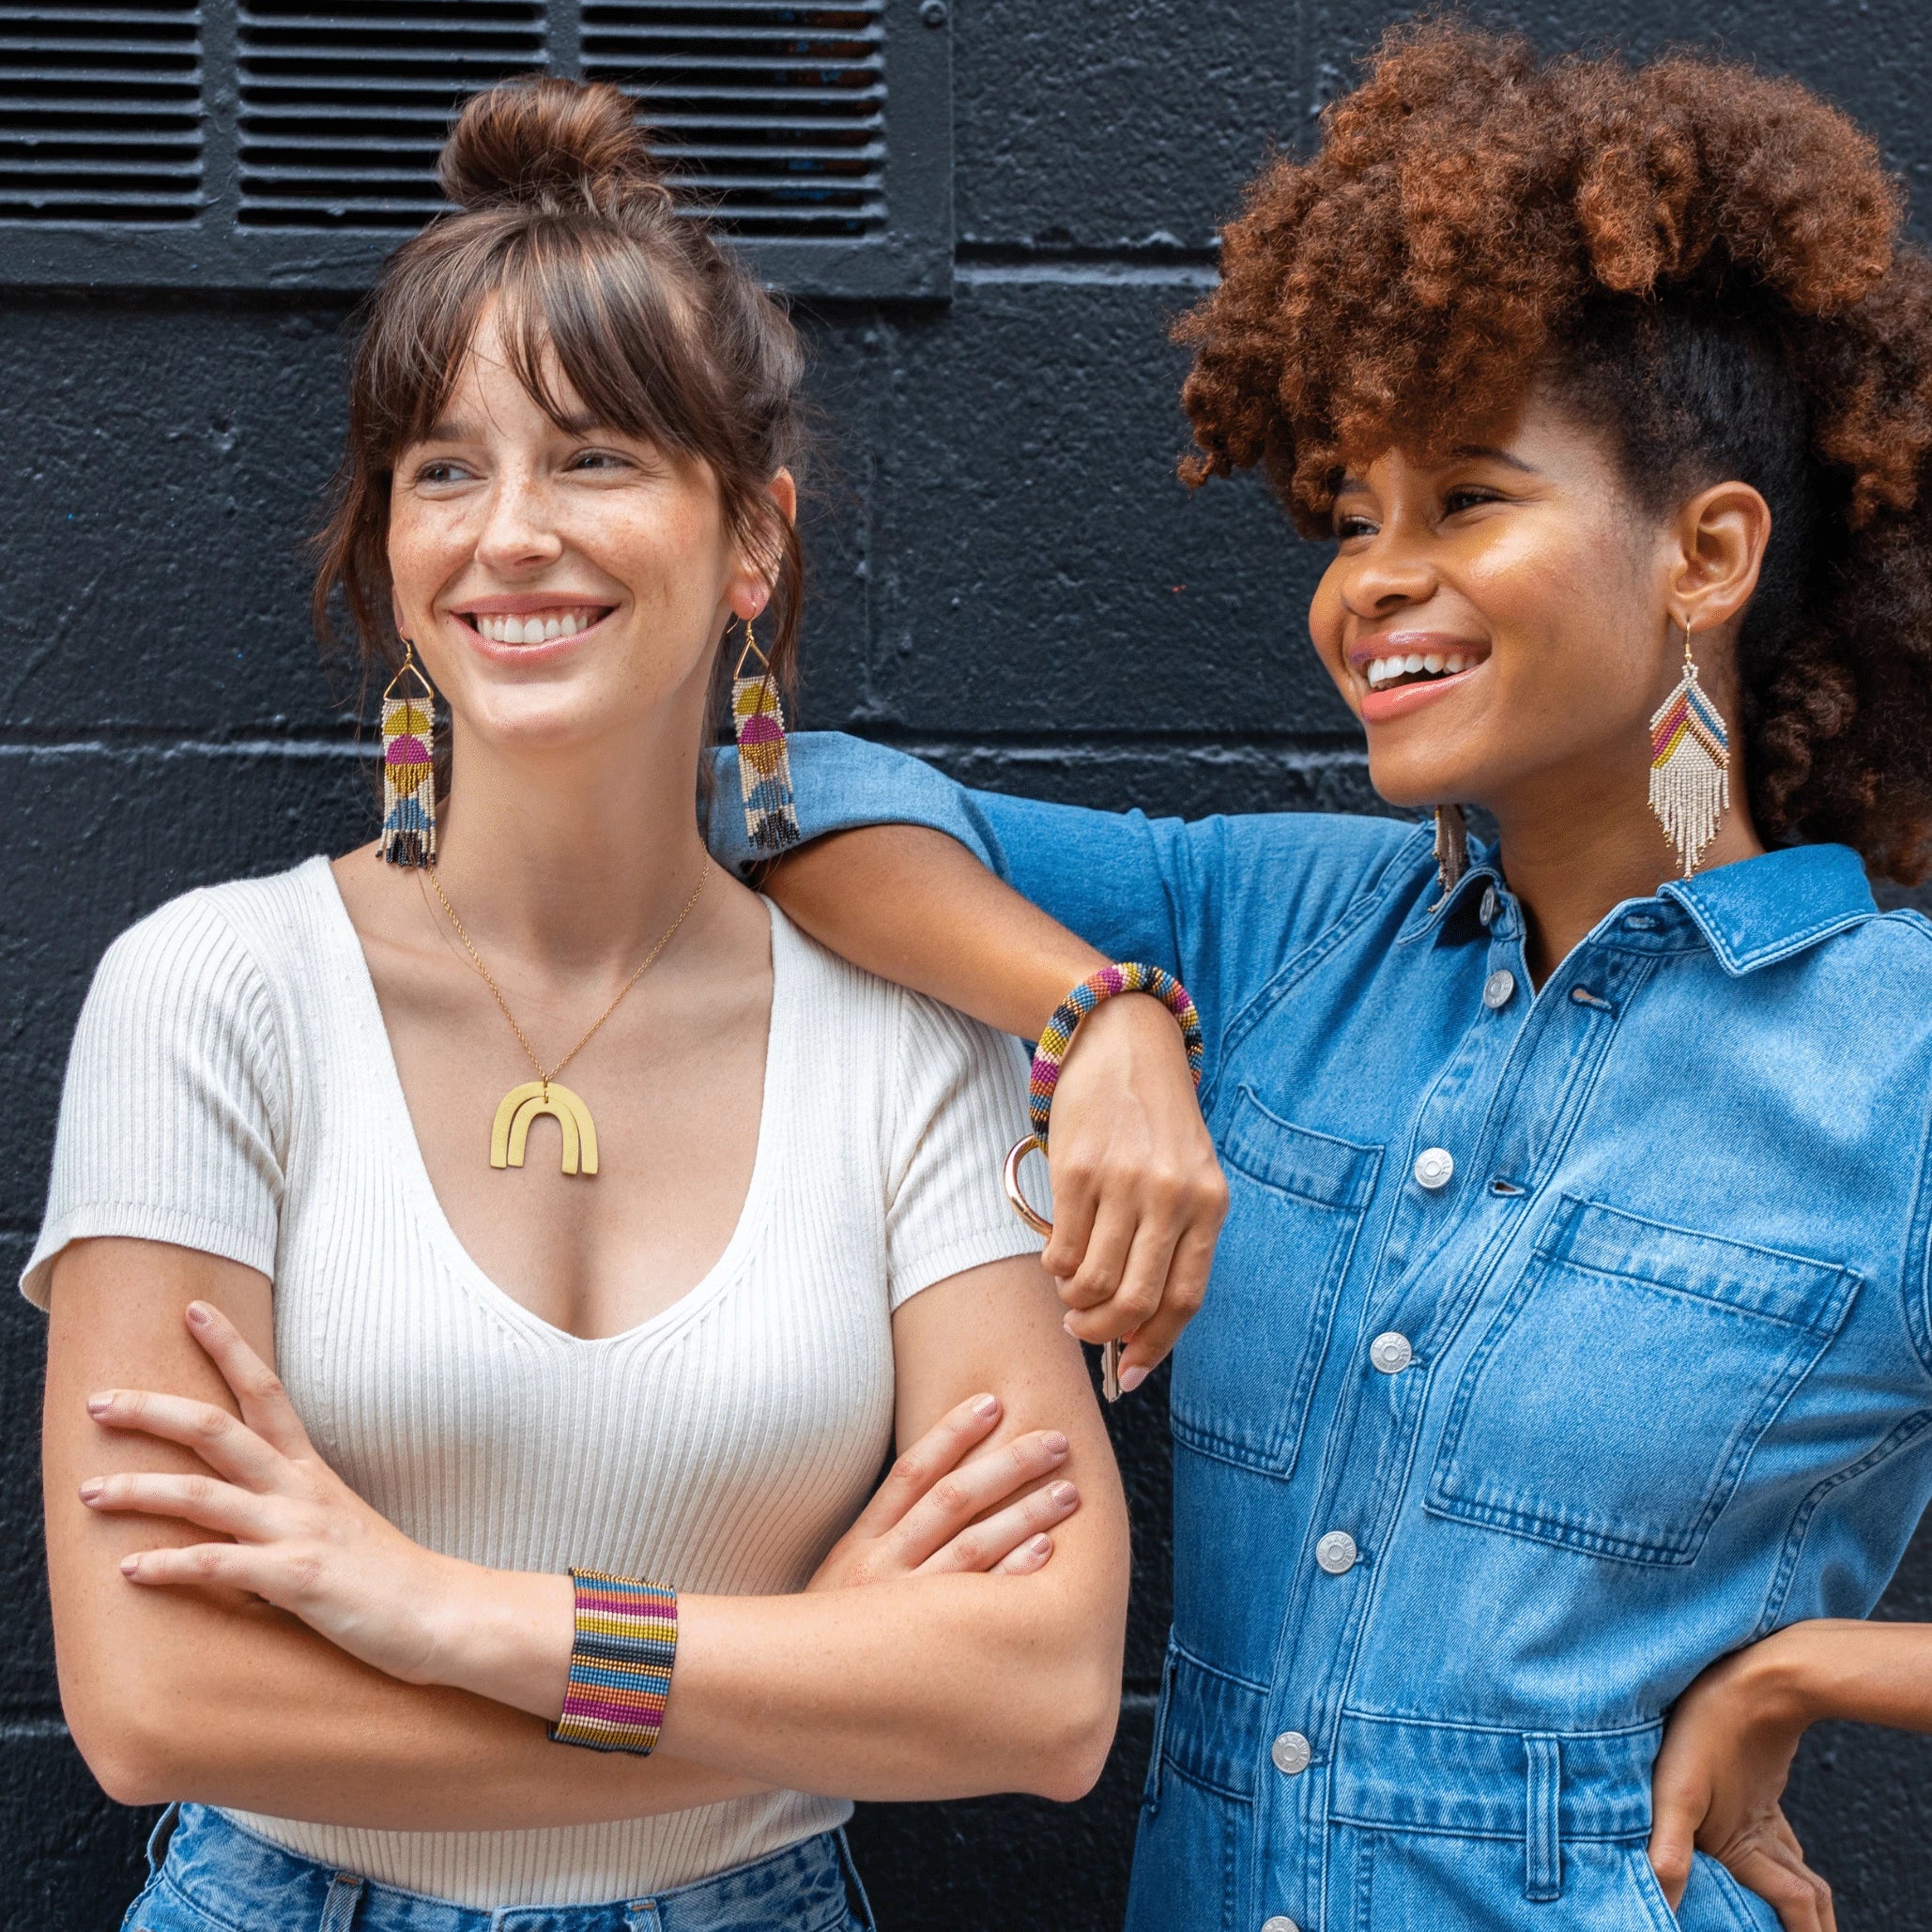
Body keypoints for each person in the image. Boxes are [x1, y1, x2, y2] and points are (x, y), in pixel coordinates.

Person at [703, 23, 1932, 1932]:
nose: (1371, 580)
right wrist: (1092, 1012)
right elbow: (780, 801)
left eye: (1464, 501)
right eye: (1353, 519)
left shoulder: (1900, 1063)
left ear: (1706, 552)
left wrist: (1809, 1674)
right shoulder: (1276, 927)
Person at [33, 78, 1129, 1932]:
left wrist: (444, 1613)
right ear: (388, 547)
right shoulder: (215, 995)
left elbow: (1042, 1692)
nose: (509, 533)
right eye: (444, 468)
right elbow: (157, 1706)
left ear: (753, 540)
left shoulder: (907, 1046)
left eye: (597, 456)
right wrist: (813, 1682)